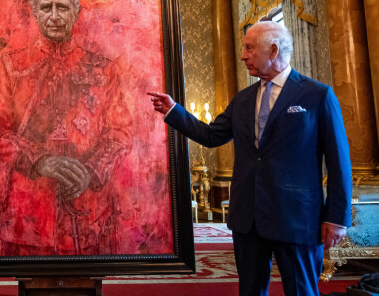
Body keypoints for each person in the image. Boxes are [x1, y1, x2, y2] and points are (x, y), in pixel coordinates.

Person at [148, 21, 352, 296]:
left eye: (249, 48)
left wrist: (337, 217)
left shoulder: (317, 95)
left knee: (302, 290)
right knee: (250, 291)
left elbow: (339, 161)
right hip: (248, 216)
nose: (243, 55)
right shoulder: (243, 99)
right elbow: (211, 136)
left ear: (273, 50)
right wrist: (175, 111)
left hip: (297, 218)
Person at [0, 0, 132, 255]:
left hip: (90, 210)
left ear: (76, 12)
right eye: (46, 7)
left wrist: (91, 170)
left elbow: (120, 133)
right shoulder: (9, 66)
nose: (54, 16)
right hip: (29, 209)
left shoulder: (104, 69)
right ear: (35, 11)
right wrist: (40, 162)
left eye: (62, 7)